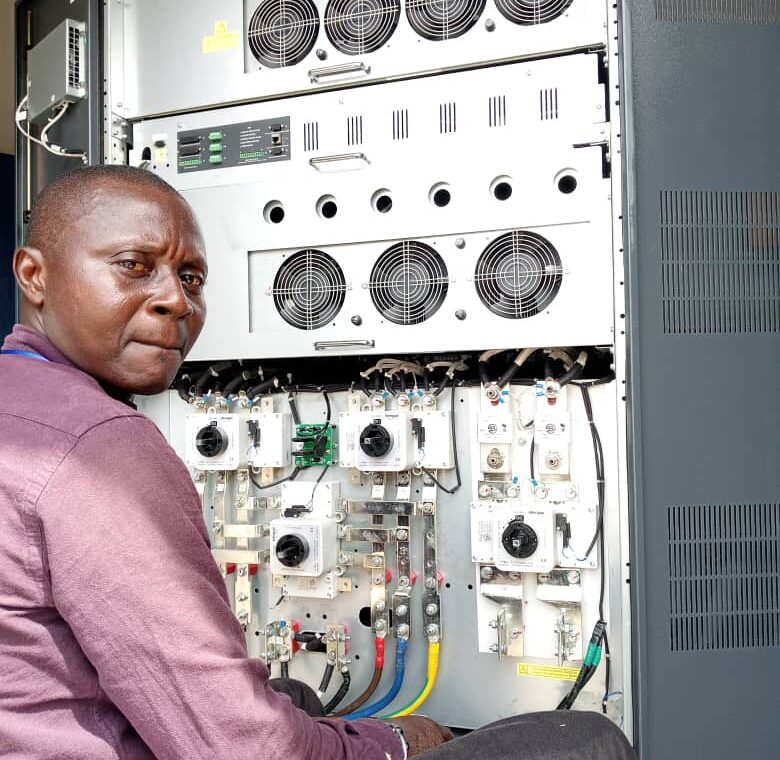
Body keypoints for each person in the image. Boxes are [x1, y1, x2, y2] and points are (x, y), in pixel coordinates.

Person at [0, 165, 638, 760]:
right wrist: (395, 742)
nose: (175, 301)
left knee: (296, 696)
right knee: (585, 740)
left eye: (191, 278)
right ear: (33, 275)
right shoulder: (98, 443)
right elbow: (242, 750)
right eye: (133, 267)